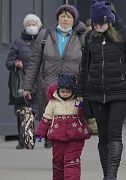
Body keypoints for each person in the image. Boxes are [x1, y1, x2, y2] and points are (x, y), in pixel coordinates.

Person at [77, 1, 126, 179]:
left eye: (100, 23)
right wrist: (80, 92)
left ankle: (111, 175)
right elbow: (84, 67)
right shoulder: (90, 37)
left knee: (114, 133)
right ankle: (106, 174)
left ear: (108, 19)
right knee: (103, 136)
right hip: (95, 92)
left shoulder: (125, 34)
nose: (97, 26)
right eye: (94, 23)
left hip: (119, 92)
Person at [22, 5, 86, 148]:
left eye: (69, 16)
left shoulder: (82, 36)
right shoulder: (45, 35)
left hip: (72, 85)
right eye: (62, 16)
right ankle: (51, 139)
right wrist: (27, 86)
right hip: (48, 84)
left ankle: (65, 147)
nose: (65, 19)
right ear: (57, 17)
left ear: (74, 20)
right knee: (51, 114)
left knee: (69, 117)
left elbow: (88, 62)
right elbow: (34, 62)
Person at [36, 73, 89, 180]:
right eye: (62, 91)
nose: (65, 94)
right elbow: (46, 119)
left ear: (73, 91)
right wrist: (40, 134)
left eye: (68, 92)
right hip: (57, 138)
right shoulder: (52, 103)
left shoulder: (77, 101)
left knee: (72, 162)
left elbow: (83, 113)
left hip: (75, 137)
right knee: (58, 162)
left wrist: (81, 102)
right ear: (58, 90)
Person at [5, 14, 42, 149]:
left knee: (45, 110)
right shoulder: (18, 42)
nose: (31, 26)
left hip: (41, 80)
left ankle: (49, 138)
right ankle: (24, 139)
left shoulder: (44, 40)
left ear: (39, 26)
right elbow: (8, 62)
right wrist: (15, 64)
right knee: (24, 110)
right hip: (24, 81)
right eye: (28, 24)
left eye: (34, 23)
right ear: (24, 26)